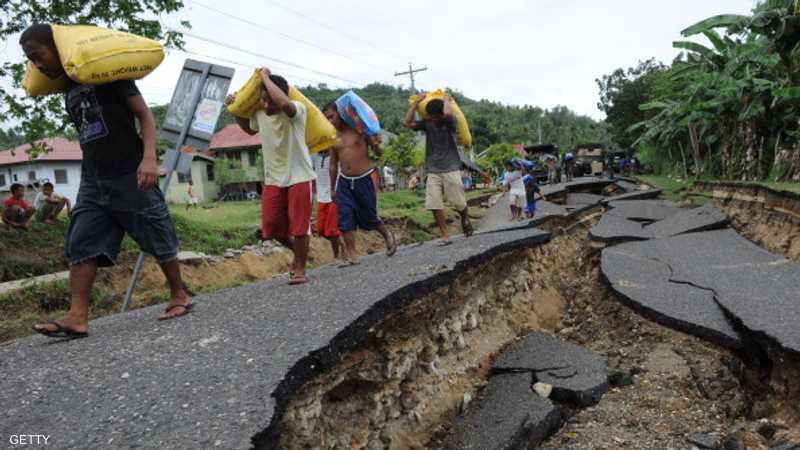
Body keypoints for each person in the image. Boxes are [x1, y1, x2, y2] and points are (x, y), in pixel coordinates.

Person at [21, 24, 192, 338]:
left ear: (56, 46)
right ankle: (77, 316)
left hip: (129, 170)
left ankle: (179, 293)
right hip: (93, 178)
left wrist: (149, 157)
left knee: (155, 231)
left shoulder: (106, 71)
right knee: (81, 242)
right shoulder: (68, 87)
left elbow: (144, 115)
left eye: (37, 55)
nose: (37, 64)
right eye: (31, 60)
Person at [226, 68, 314, 285]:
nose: (265, 105)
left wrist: (264, 77)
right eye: (262, 100)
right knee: (272, 227)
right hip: (273, 179)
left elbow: (284, 105)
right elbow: (248, 129)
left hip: (299, 176)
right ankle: (299, 253)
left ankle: (300, 267)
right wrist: (234, 109)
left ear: (279, 94)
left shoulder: (298, 111)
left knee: (300, 226)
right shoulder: (260, 114)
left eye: (269, 100)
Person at [324, 101, 397, 266]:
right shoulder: (333, 137)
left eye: (332, 116)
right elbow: (333, 164)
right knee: (345, 218)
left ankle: (387, 235)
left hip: (364, 179)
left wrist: (377, 143)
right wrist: (332, 188)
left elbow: (378, 151)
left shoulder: (359, 129)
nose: (330, 121)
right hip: (344, 182)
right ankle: (352, 254)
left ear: (341, 113)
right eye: (327, 118)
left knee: (369, 217)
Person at [404, 93, 473, 245]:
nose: (432, 119)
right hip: (433, 169)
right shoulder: (427, 123)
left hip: (451, 167)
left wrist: (447, 100)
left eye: (435, 116)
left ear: (440, 114)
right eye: (430, 116)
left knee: (458, 202)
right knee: (434, 204)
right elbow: (407, 123)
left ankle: (464, 217)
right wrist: (415, 104)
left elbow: (448, 113)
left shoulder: (450, 122)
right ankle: (446, 236)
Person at [312, 150, 342, 260]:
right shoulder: (314, 155)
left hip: (334, 195)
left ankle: (337, 256)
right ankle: (341, 245)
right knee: (320, 230)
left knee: (332, 230)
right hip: (321, 197)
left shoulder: (336, 153)